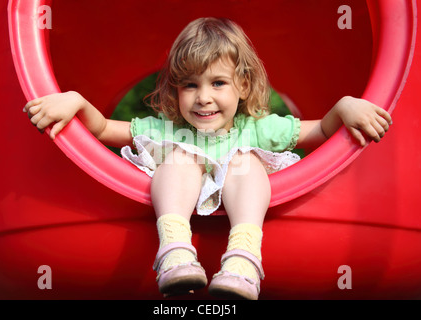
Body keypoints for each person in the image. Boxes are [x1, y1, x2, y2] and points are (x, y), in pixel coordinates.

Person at [23, 17, 392, 300]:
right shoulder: (167, 129)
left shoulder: (257, 128)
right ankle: (174, 251)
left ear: (243, 86)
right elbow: (102, 128)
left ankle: (244, 256)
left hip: (243, 216)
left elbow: (322, 133)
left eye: (217, 83)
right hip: (179, 224)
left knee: (244, 161)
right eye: (190, 84)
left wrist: (345, 106)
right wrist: (74, 100)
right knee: (181, 154)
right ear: (176, 89)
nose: (203, 97)